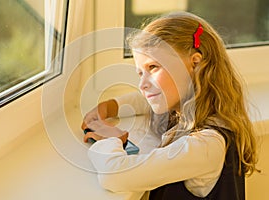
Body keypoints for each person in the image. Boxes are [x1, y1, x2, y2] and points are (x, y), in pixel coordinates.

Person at [81, 11, 259, 200]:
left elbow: (114, 176)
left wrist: (111, 138)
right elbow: (148, 98)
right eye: (140, 73)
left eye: (153, 67)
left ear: (195, 64)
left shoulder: (206, 145)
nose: (142, 84)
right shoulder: (195, 109)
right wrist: (111, 106)